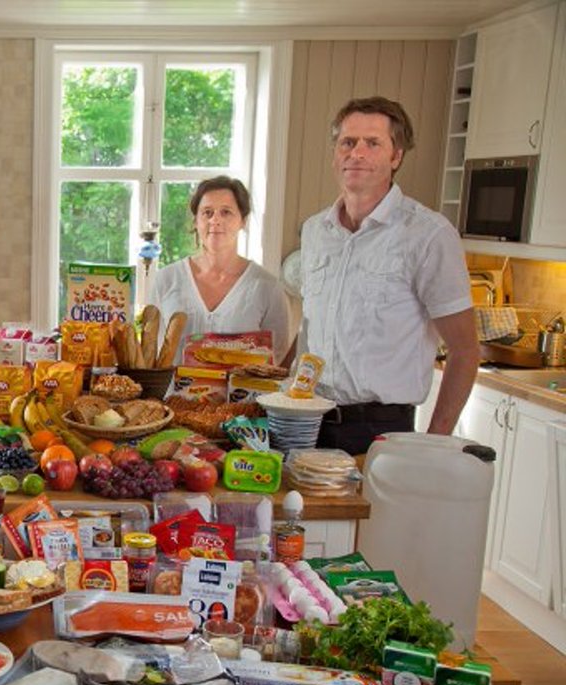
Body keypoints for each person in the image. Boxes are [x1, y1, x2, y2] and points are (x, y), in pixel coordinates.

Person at [298, 96, 478, 455]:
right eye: (348, 142)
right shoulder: (315, 231)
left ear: (396, 156)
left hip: (382, 430)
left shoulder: (428, 234)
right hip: (307, 422)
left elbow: (465, 350)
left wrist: (433, 442)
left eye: (373, 143)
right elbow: (309, 327)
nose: (356, 153)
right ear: (335, 154)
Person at [146, 176, 291, 364]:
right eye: (207, 212)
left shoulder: (268, 288)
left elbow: (276, 361)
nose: (215, 220)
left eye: (226, 212)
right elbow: (152, 356)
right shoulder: (166, 280)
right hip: (171, 385)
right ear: (196, 221)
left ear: (243, 221)